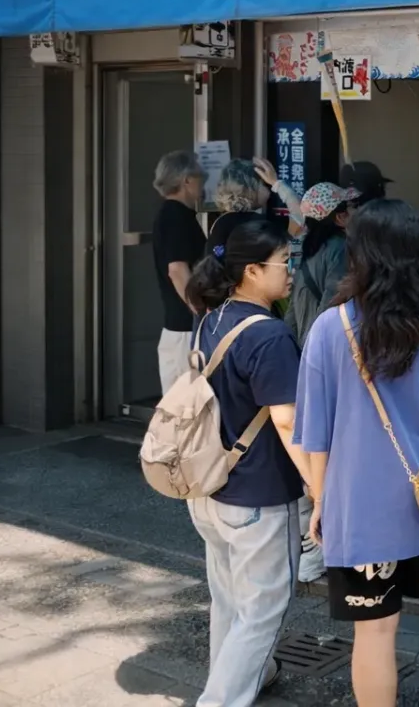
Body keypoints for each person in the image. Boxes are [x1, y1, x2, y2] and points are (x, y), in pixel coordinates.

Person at [295, 199, 419, 707]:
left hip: (359, 512)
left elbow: (314, 437)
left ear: (359, 254)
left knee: (375, 634)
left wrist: (321, 502)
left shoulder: (329, 329)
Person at [183, 218, 312, 707]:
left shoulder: (210, 318)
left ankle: (241, 677)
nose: (292, 271)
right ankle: (221, 699)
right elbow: (287, 422)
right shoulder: (269, 336)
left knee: (231, 600)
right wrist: (318, 487)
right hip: (259, 495)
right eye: (285, 261)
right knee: (264, 612)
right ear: (253, 270)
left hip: (211, 488)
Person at [286, 180, 358, 585]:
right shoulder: (342, 251)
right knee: (325, 459)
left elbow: (296, 318)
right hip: (327, 366)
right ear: (338, 216)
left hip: (302, 361)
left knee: (308, 454)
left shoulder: (306, 251)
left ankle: (307, 545)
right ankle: (319, 550)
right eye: (347, 207)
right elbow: (335, 312)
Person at [152, 150, 208, 395]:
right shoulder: (175, 216)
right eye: (200, 177)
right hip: (184, 328)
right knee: (182, 411)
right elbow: (177, 269)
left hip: (182, 327)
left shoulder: (175, 214)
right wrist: (199, 310)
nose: (203, 183)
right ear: (186, 180)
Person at [289, 182, 359, 345]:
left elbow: (292, 309)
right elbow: (332, 301)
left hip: (305, 345)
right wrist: (313, 345)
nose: (358, 211)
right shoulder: (341, 249)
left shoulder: (309, 248)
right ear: (340, 218)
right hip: (323, 345)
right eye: (353, 207)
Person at [207, 157, 303, 253]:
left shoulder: (220, 222)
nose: (270, 189)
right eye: (264, 183)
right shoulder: (258, 223)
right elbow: (299, 220)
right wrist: (277, 183)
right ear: (248, 188)